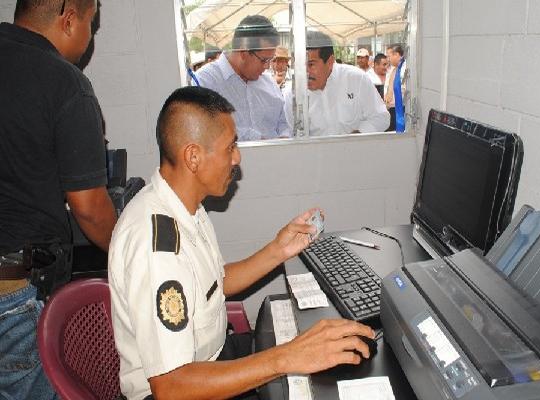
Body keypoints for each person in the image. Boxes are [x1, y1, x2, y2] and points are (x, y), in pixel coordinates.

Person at [108, 86, 375, 400]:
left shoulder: (185, 207)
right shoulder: (156, 246)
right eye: (230, 146)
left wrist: (279, 249)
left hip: (211, 360)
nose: (237, 157)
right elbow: (171, 387)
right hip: (184, 386)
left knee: (327, 363)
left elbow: (216, 283)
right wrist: (287, 357)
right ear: (193, 156)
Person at [0, 0, 117, 398]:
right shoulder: (65, 82)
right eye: (91, 25)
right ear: (70, 20)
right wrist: (128, 251)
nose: (89, 39)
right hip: (12, 289)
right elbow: (88, 206)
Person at [193, 15, 290, 141]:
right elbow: (204, 129)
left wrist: (284, 137)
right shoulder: (205, 82)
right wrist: (259, 140)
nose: (267, 67)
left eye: (270, 60)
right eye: (264, 60)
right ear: (243, 52)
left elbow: (284, 123)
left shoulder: (269, 83)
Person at [284, 31, 389, 136]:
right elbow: (293, 135)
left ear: (330, 61)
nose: (305, 72)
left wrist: (357, 135)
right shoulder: (293, 94)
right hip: (314, 151)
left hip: (354, 150)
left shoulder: (356, 79)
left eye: (311, 65)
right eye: (300, 65)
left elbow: (381, 117)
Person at [385, 45, 407, 132]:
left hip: (401, 109)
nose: (388, 59)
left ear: (396, 54)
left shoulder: (405, 69)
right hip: (392, 109)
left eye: (389, 56)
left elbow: (403, 89)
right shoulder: (393, 70)